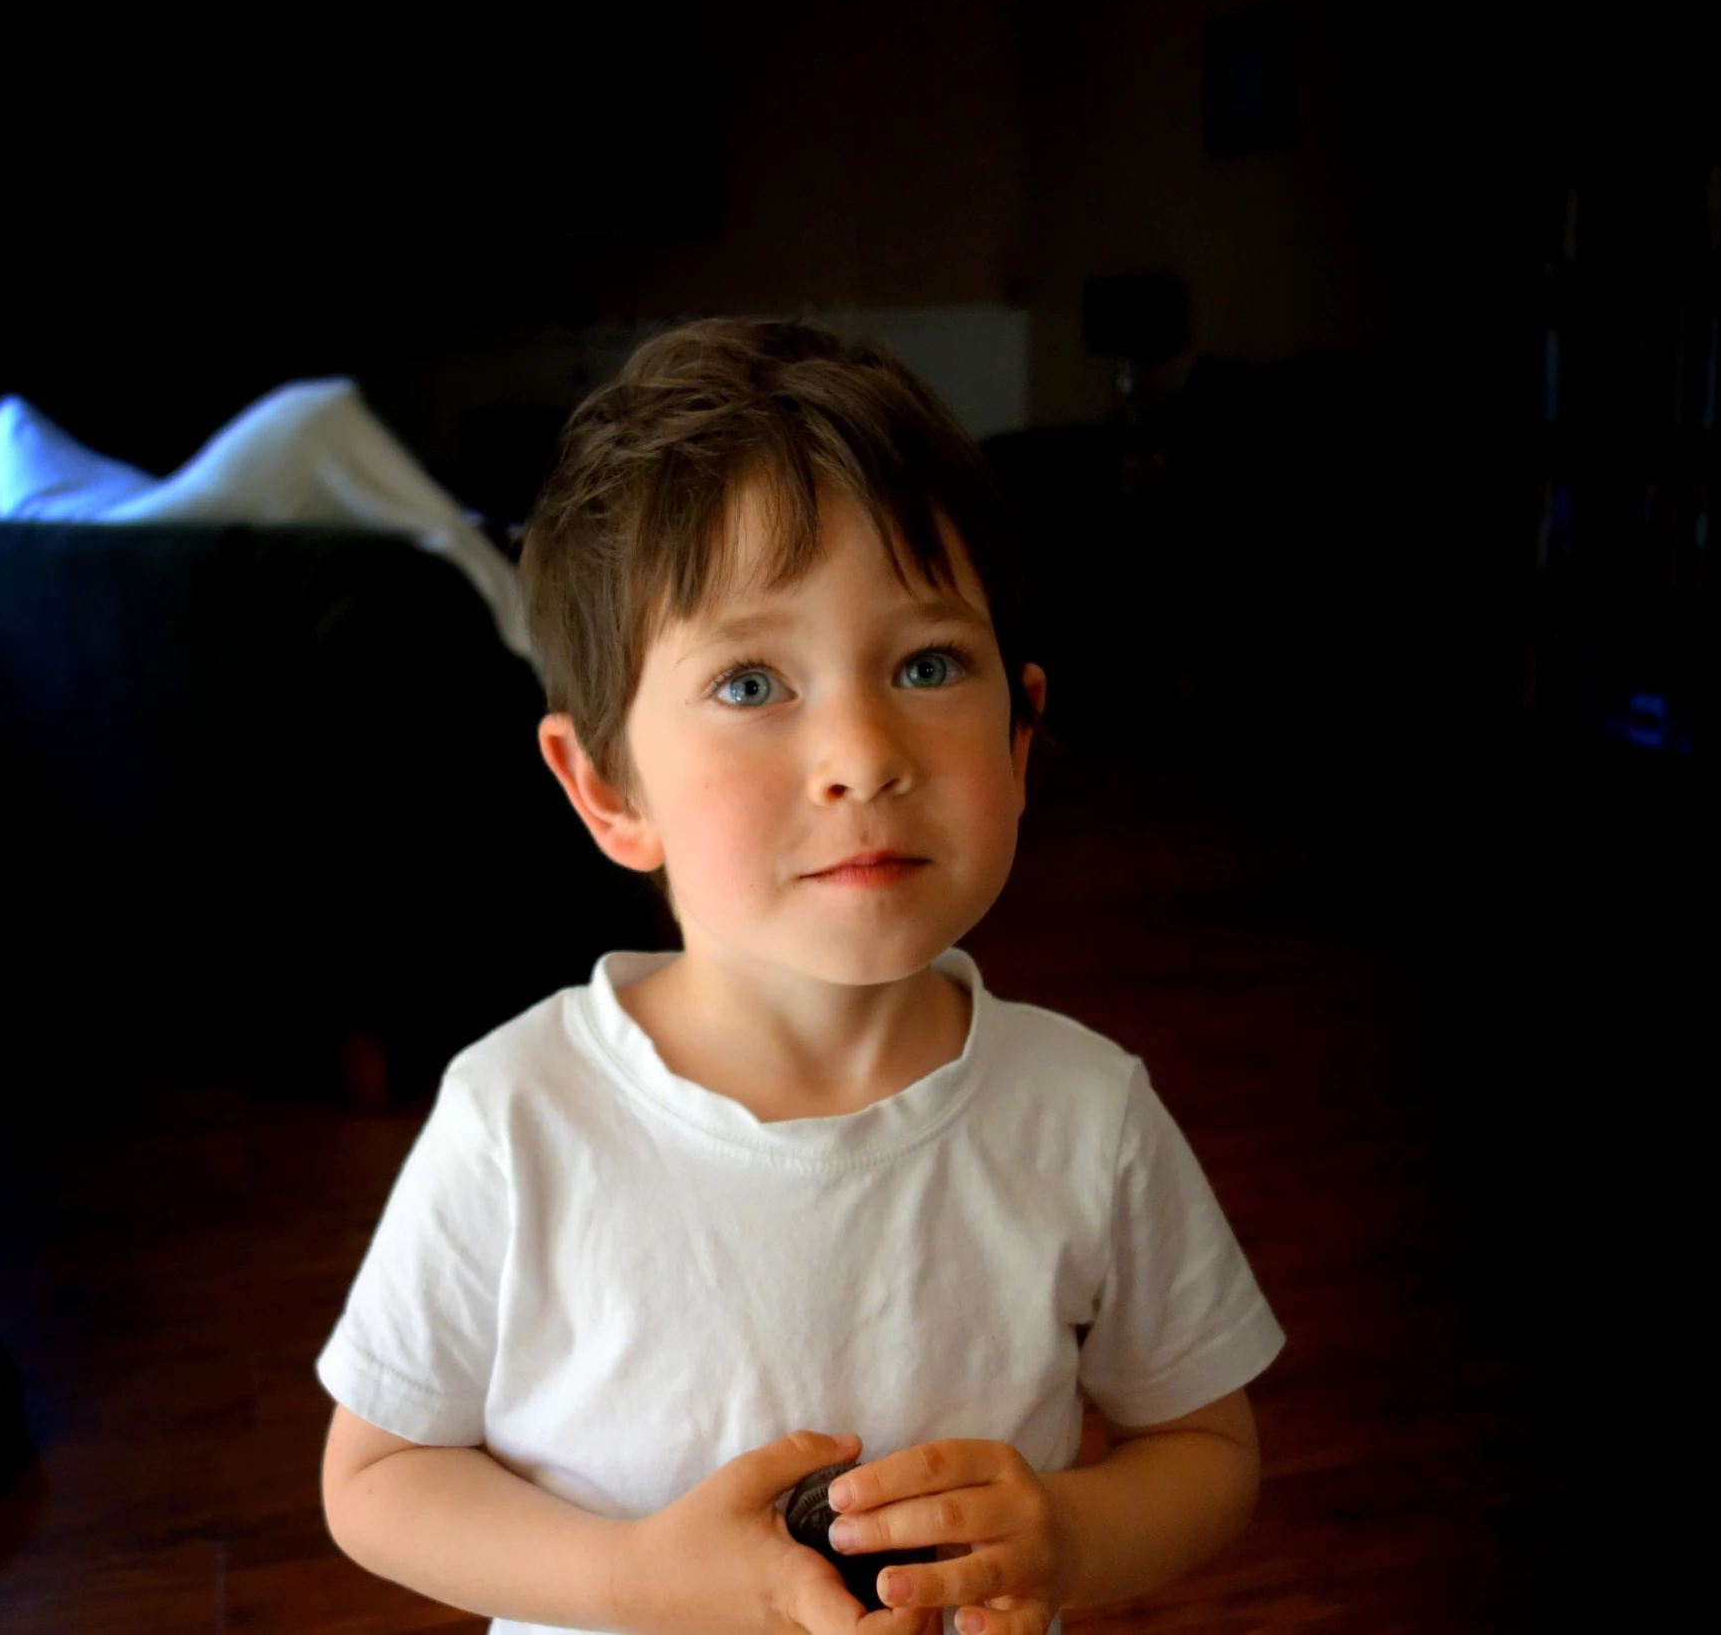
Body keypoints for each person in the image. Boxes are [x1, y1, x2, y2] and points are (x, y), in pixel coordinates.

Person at [316, 319, 1284, 1635]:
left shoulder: (1085, 1112)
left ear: (1021, 730)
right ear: (607, 789)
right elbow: (377, 1475)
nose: (861, 752)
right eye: (753, 679)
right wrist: (638, 1579)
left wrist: (1070, 1532)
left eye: (927, 663)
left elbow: (1207, 1451)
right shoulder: (519, 1116)